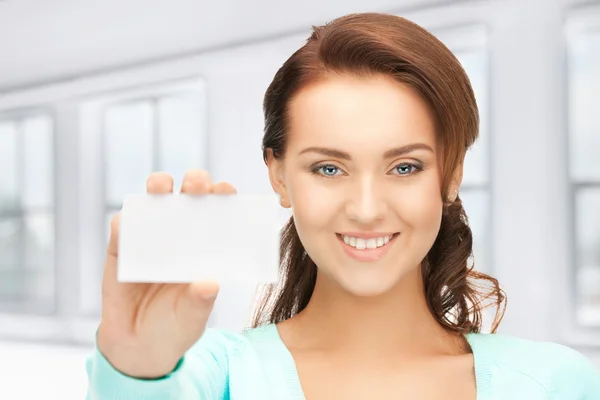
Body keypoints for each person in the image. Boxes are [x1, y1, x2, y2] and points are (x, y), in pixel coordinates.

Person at [86, 12, 600, 400]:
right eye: (329, 168)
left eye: (405, 167)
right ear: (278, 175)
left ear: (452, 174)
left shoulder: (555, 383)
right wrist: (135, 374)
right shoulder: (210, 375)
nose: (367, 208)